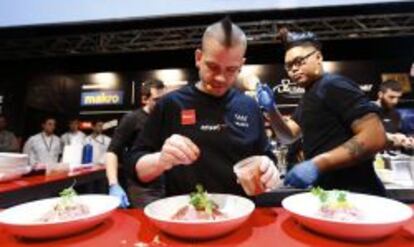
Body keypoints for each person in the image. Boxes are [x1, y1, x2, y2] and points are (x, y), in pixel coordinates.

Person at [125, 18, 280, 198]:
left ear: (241, 65)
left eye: (231, 69)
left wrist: (269, 168)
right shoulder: (171, 104)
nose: (221, 78)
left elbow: (267, 157)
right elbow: (136, 169)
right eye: (213, 67)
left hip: (241, 215)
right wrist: (161, 160)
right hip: (186, 217)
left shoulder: (249, 106)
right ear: (199, 58)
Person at [257, 30, 387, 195]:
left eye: (299, 61)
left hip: (358, 193)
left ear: (318, 57)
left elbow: (374, 137)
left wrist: (317, 164)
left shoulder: (333, 85)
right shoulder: (309, 96)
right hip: (332, 193)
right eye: (289, 66)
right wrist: (271, 109)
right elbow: (288, 136)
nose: (294, 69)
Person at [106, 79, 165, 208]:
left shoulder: (167, 118)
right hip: (142, 188)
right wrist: (113, 184)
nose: (161, 103)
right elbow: (112, 151)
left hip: (166, 183)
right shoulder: (132, 119)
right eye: (156, 100)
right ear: (145, 99)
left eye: (163, 99)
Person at [375, 80, 414, 149]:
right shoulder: (367, 110)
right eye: (391, 97)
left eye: (398, 97)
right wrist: (391, 137)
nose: (395, 101)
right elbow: (367, 135)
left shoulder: (395, 114)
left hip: (389, 156)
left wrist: (406, 140)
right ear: (380, 94)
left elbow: (396, 134)